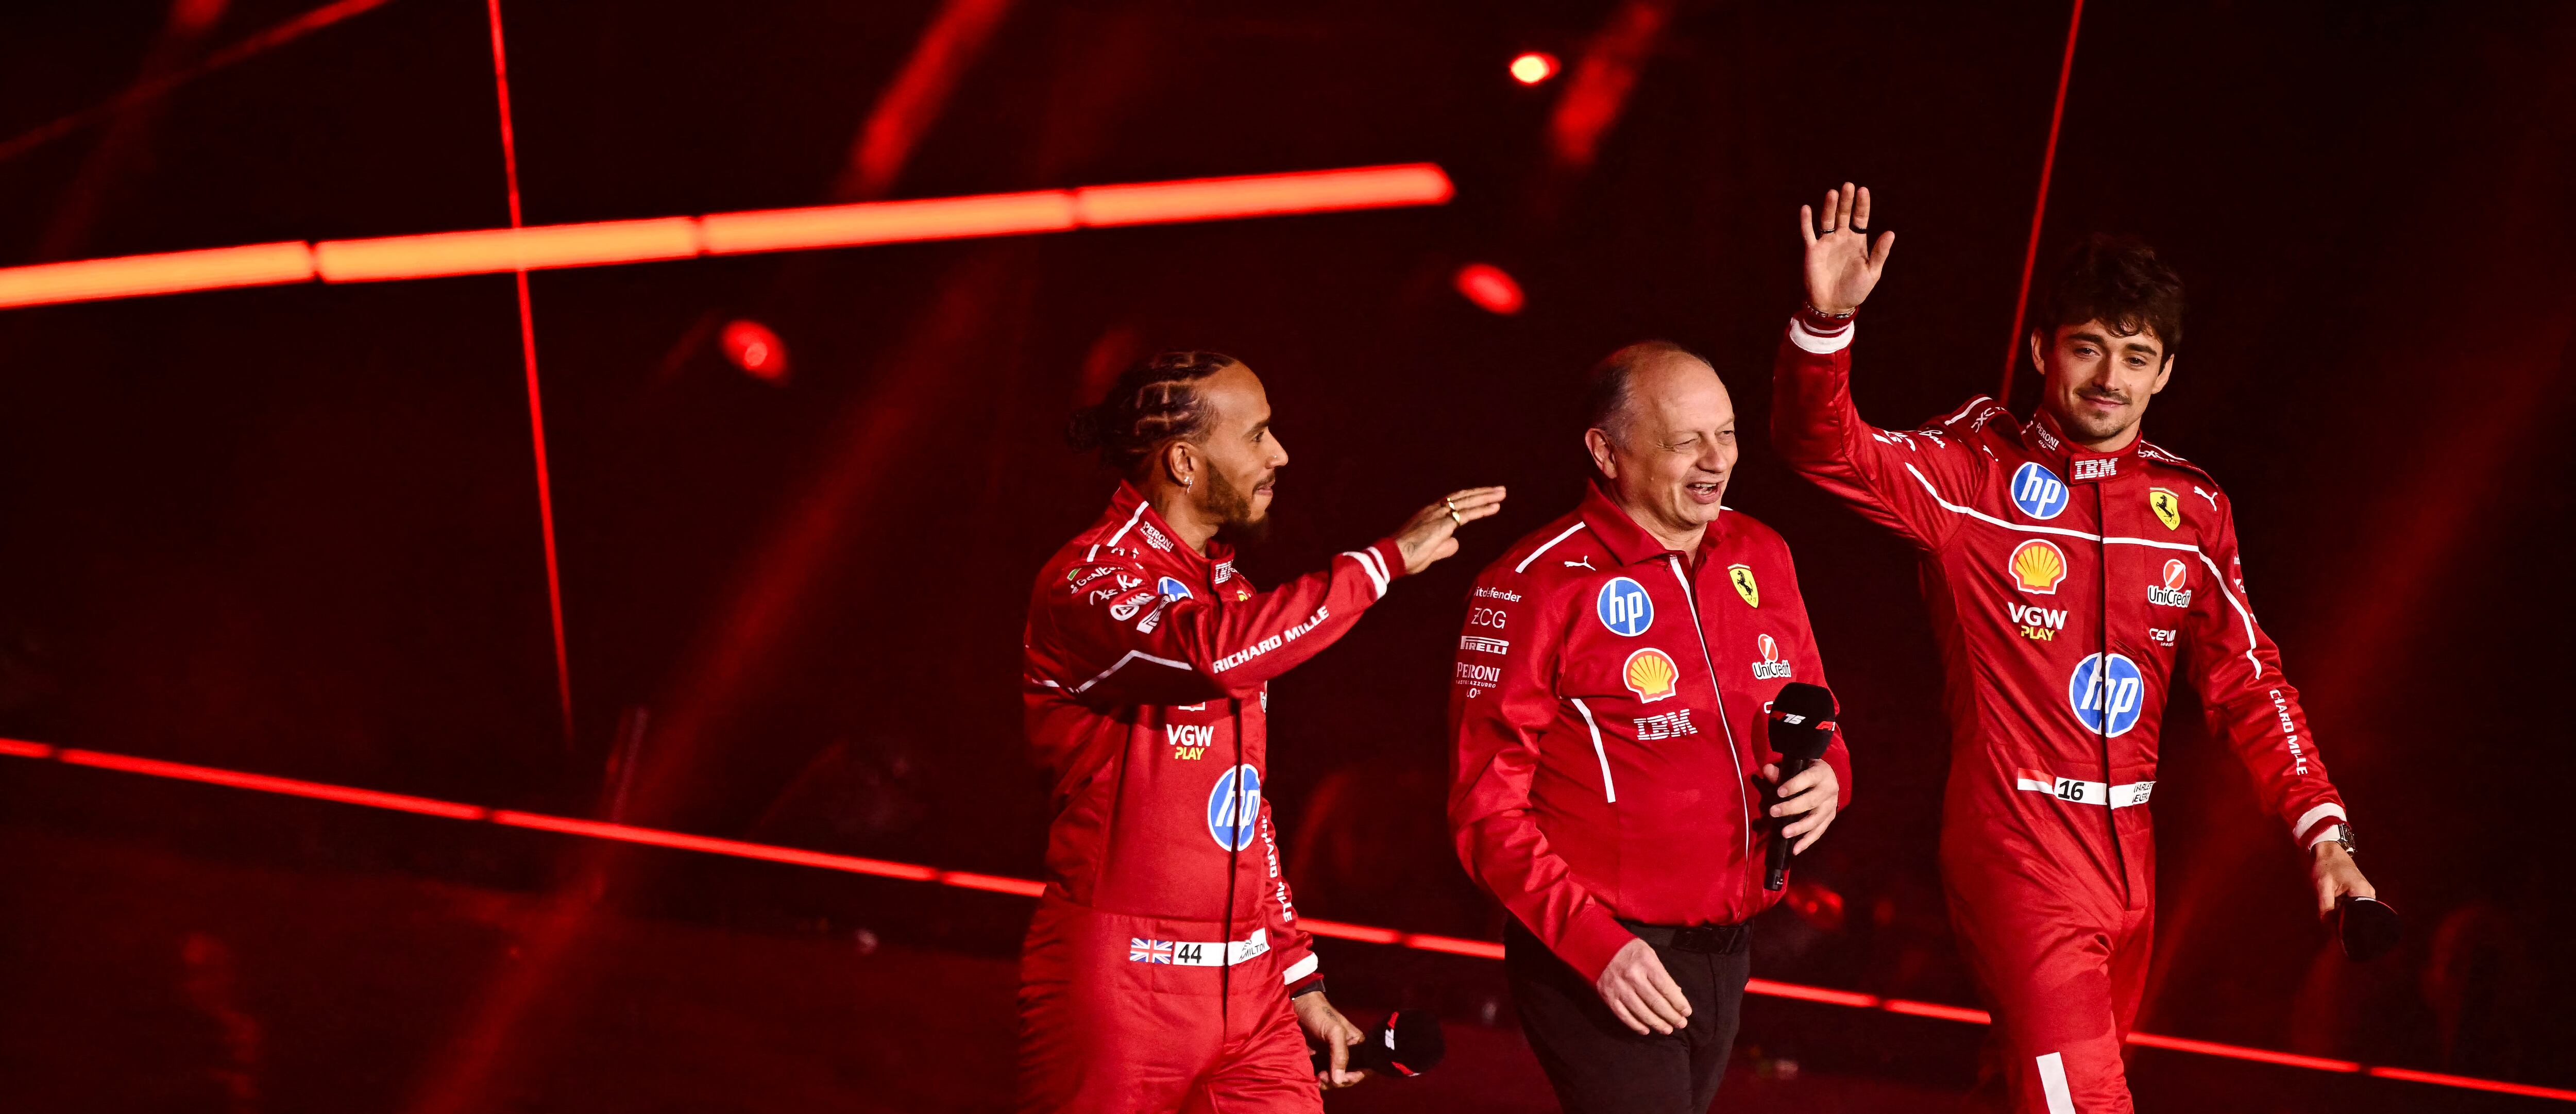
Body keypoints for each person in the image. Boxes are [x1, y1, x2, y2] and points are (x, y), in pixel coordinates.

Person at [1770, 183, 2377, 1112]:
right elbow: (1824, 446)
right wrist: (1826, 322)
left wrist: (2324, 837)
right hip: (2016, 847)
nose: (2110, 377)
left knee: (2025, 1092)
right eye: (2089, 347)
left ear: (2165, 371)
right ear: (2042, 348)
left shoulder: (2193, 508)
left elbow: (2252, 686)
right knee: (2089, 1105)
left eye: (2136, 357)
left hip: (2134, 863)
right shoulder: (1973, 471)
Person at [1019, 349, 1504, 1113]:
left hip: (1251, 991)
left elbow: (1242, 809)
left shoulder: (1230, 590)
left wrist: (1297, 977)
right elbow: (1207, 652)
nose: (1279, 454)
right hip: (1122, 983)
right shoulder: (1088, 578)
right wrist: (1382, 566)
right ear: (1184, 460)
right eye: (1257, 435)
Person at [1447, 342, 1853, 1114]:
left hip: (1727, 953)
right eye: (1683, 440)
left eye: (1726, 434)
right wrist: (1598, 948)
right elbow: (1483, 808)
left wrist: (1832, 773)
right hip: (1598, 954)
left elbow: (1818, 712)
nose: (1715, 461)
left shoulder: (1763, 553)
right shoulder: (1533, 584)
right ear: (1606, 450)